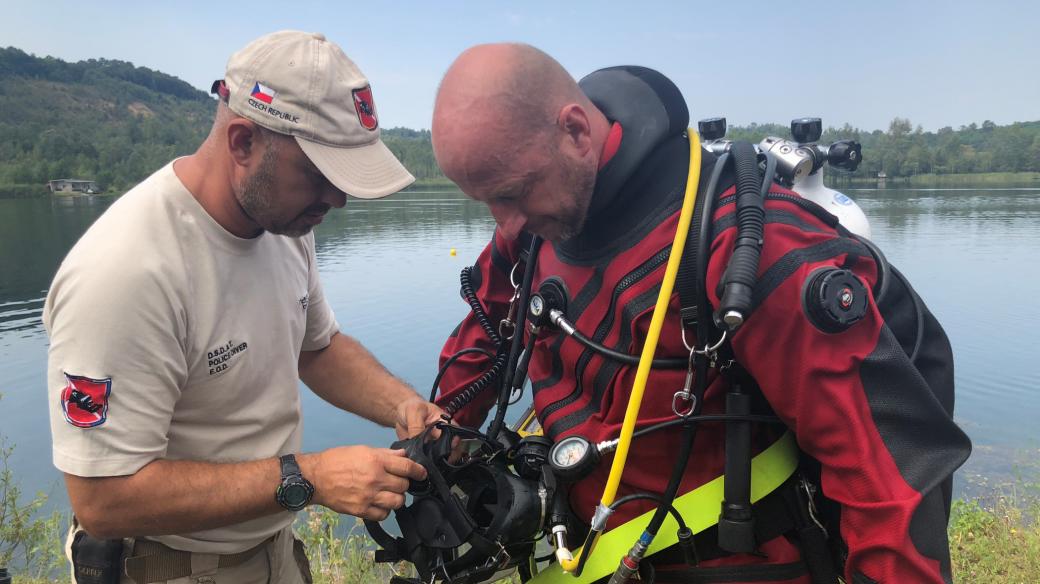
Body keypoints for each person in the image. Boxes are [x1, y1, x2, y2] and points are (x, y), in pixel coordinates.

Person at [430, 44, 971, 583]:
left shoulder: (744, 246)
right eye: (486, 202)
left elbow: (884, 480)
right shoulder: (532, 229)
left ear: (575, 131)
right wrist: (442, 432)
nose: (506, 222)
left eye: (514, 192)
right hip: (589, 555)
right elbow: (486, 324)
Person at [44, 30, 442, 584]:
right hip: (161, 566)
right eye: (320, 175)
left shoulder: (283, 222)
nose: (338, 200)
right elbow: (103, 501)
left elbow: (317, 348)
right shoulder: (126, 273)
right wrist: (309, 478)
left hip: (272, 548)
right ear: (242, 142)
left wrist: (403, 404)